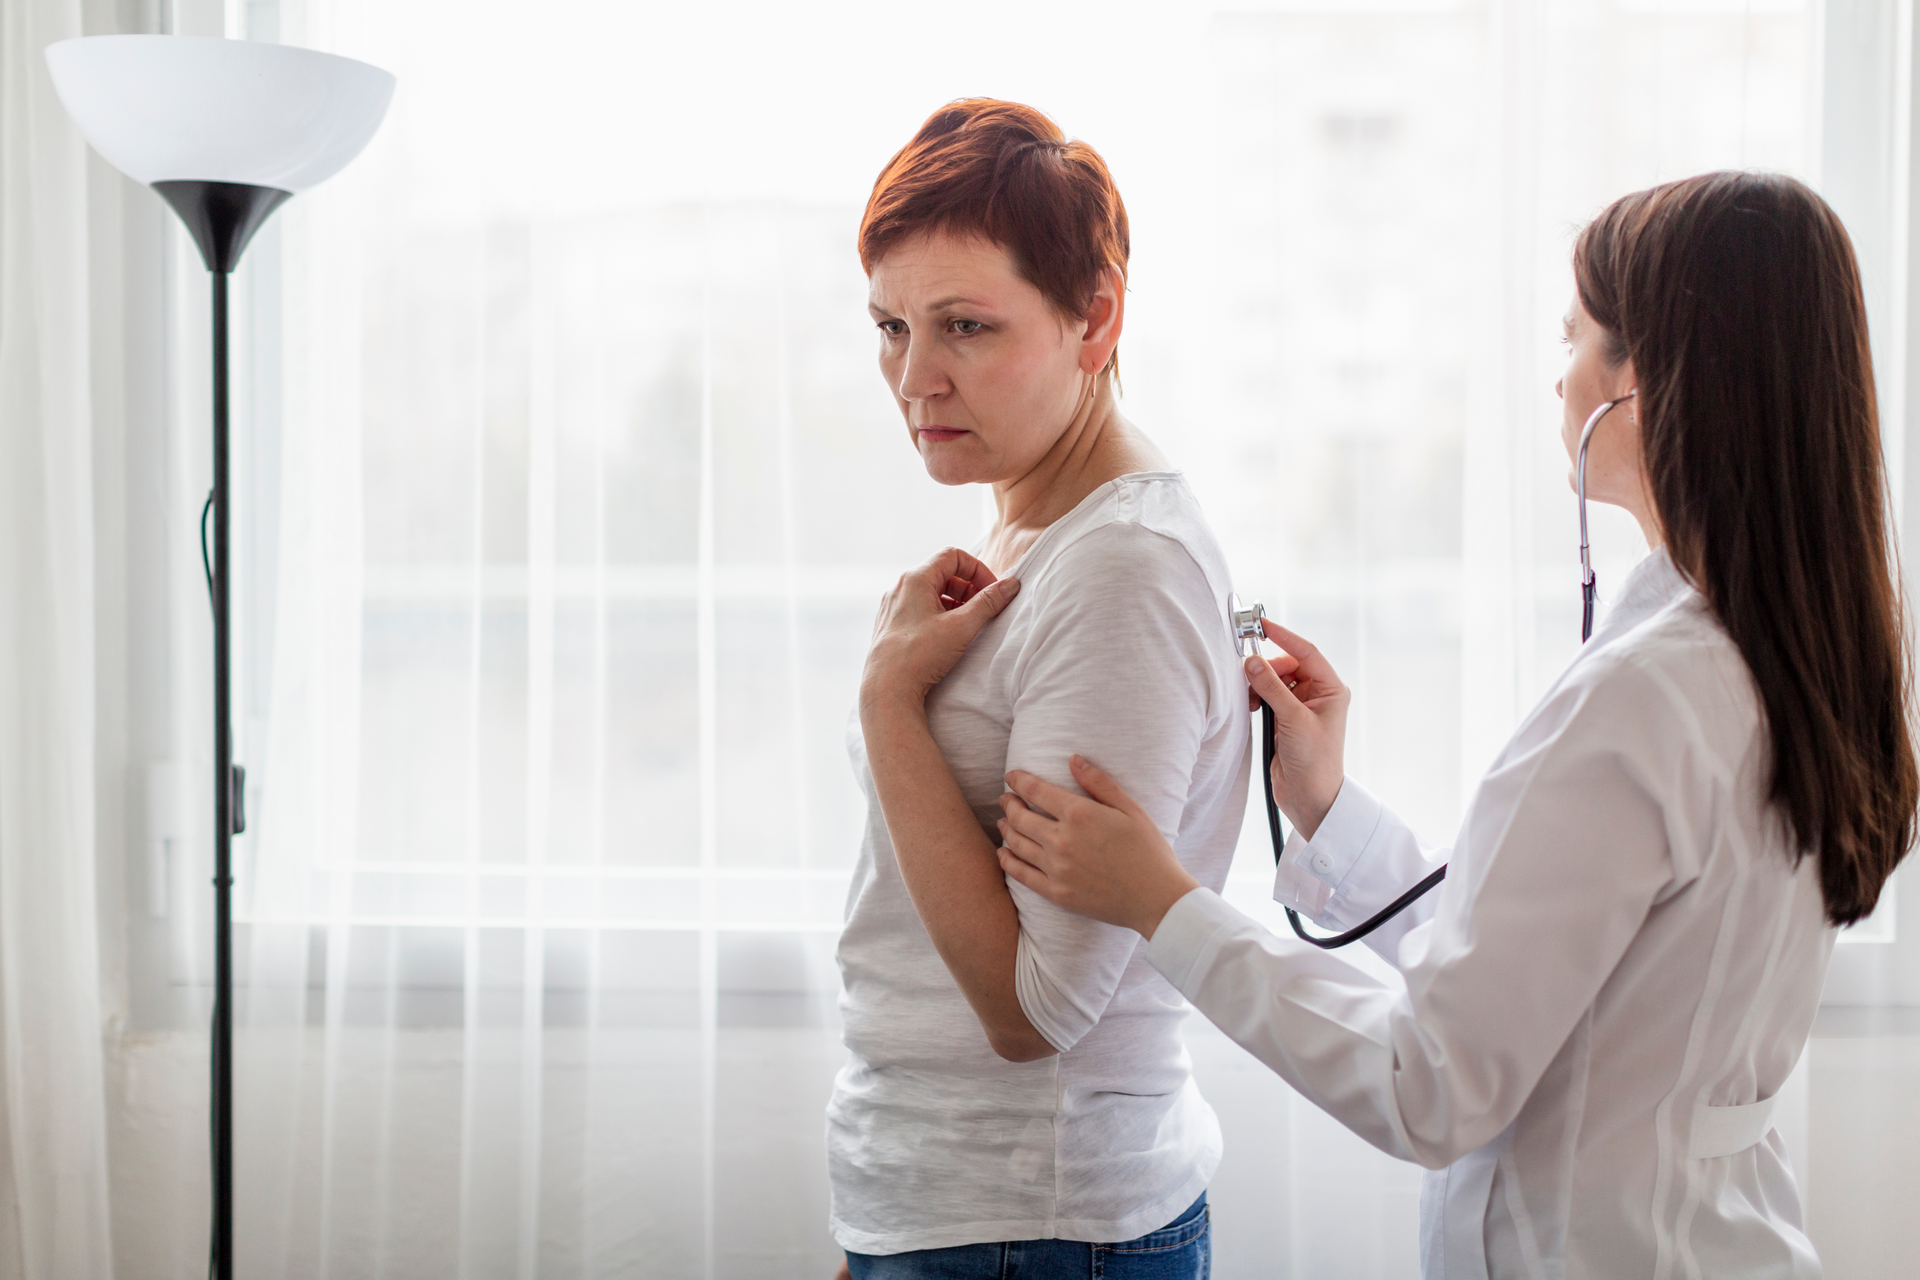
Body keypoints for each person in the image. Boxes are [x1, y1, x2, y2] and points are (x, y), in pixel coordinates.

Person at [991, 171, 1918, 1278]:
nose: (1558, 374)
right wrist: (1327, 811)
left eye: (1575, 338)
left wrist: (1163, 904)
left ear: (1651, 385)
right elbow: (1540, 976)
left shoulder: (1649, 697)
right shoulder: (1783, 654)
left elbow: (1428, 1085)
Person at [827, 100, 1248, 1279]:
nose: (915, 377)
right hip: (957, 1207)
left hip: (1036, 1224)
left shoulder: (1124, 567)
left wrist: (886, 703)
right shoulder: (1039, 532)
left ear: (1095, 316)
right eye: (890, 325)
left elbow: (1037, 1010)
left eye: (965, 325)